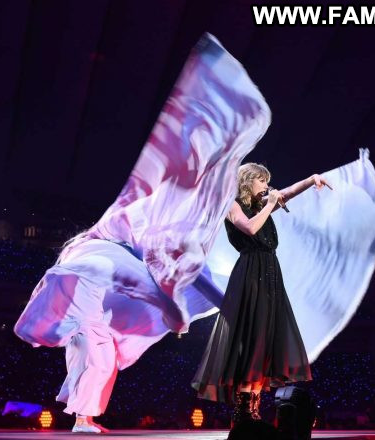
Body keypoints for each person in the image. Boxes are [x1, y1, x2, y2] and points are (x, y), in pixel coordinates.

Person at [14, 34, 272, 433]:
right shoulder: (163, 209)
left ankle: (84, 417)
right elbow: (169, 269)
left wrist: (228, 304)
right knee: (110, 329)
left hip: (107, 269)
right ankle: (84, 414)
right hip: (100, 257)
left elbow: (190, 272)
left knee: (100, 343)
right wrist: (191, 308)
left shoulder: (185, 224)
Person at [191, 163, 331, 423]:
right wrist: (270, 204)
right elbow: (249, 228)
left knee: (265, 337)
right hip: (250, 273)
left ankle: (253, 405)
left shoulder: (262, 205)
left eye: (267, 181)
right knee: (252, 336)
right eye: (262, 180)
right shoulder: (232, 205)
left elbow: (287, 192)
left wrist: (311, 179)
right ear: (248, 181)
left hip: (270, 273)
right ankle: (243, 409)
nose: (266, 186)